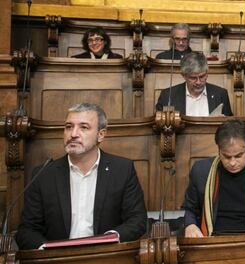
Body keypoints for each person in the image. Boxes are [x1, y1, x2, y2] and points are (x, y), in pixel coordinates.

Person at [16, 103, 147, 250]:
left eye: (83, 127)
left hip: (106, 258)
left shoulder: (122, 170)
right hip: (58, 262)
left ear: (101, 135)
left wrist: (110, 239)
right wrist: (47, 250)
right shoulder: (44, 174)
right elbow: (27, 230)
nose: (73, 134)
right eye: (68, 127)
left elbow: (137, 221)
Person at [156, 52, 233, 116]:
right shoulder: (167, 96)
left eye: (202, 76)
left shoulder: (221, 94)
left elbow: (230, 126)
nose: (198, 82)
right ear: (184, 76)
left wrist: (222, 122)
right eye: (193, 78)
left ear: (207, 73)